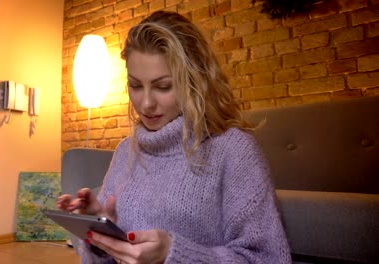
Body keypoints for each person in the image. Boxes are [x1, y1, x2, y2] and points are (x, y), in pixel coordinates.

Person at [57, 11, 291, 264]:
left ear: (194, 81)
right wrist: (101, 236)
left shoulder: (234, 150)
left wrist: (173, 254)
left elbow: (268, 259)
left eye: (163, 86)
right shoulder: (126, 151)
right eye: (135, 85)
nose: (145, 104)